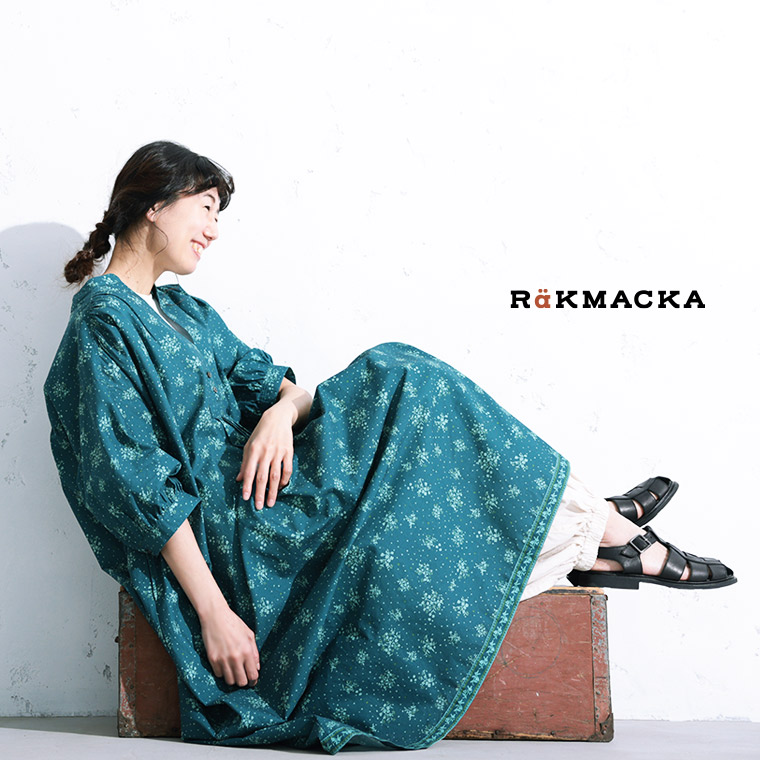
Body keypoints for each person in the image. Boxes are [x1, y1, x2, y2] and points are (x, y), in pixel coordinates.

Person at [43, 141, 735, 754]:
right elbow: (139, 485)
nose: (214, 230)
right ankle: (610, 531)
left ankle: (603, 530)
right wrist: (215, 612)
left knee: (404, 375)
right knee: (401, 374)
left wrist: (279, 415)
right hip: (240, 529)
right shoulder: (103, 324)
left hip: (268, 481)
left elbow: (283, 386)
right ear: (156, 205)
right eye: (206, 209)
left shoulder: (184, 311)